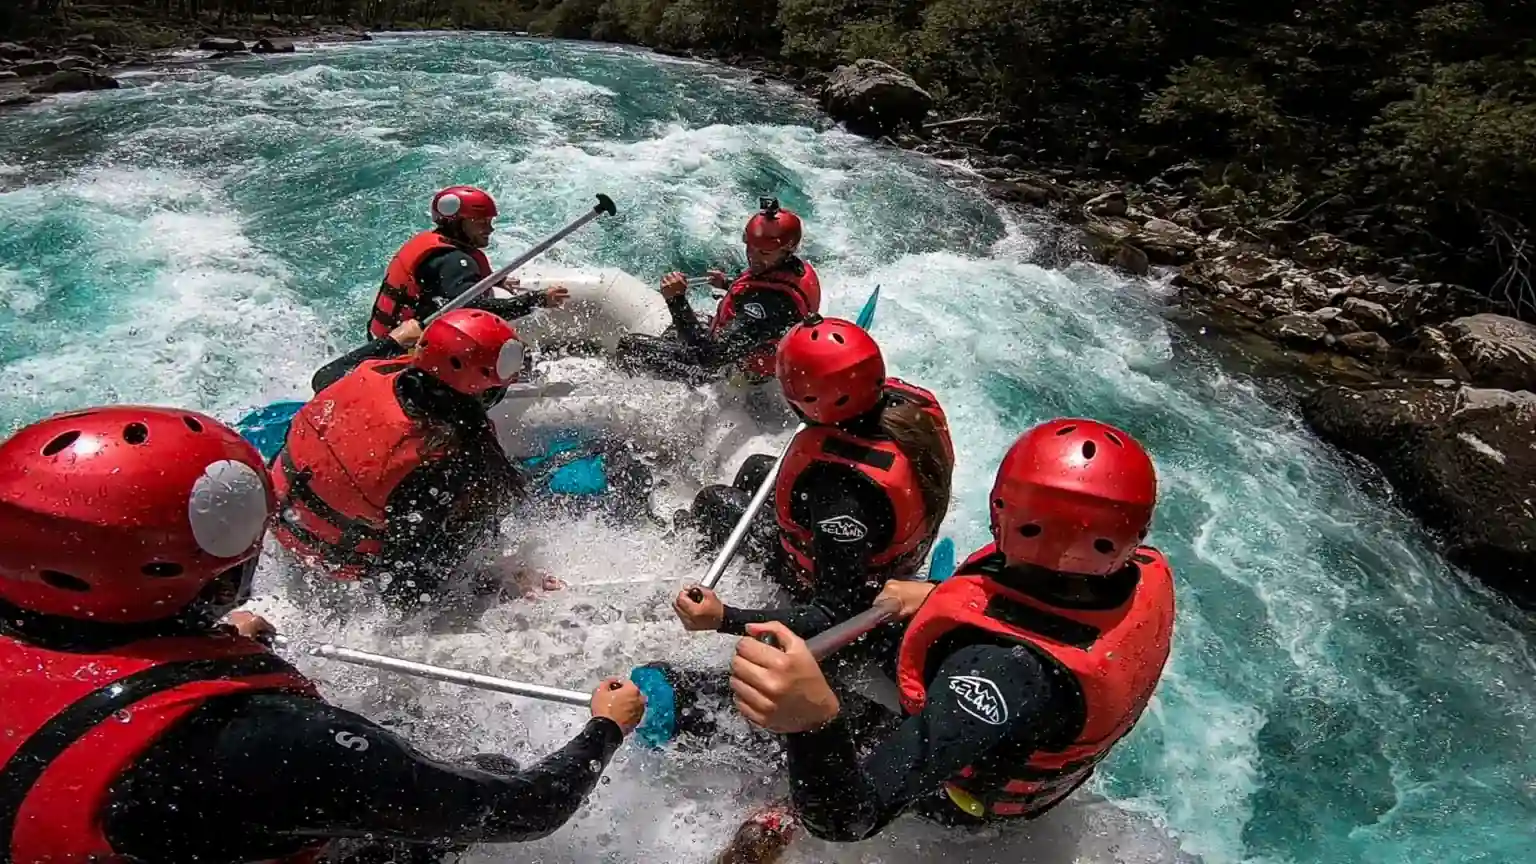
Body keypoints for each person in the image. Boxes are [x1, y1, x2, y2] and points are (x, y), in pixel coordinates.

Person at [0, 405, 647, 864]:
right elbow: (529, 809)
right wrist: (604, 727)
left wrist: (197, 644)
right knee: (489, 773)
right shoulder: (270, 744)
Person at [725, 418, 1176, 840]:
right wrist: (941, 595)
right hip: (1023, 727)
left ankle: (671, 702)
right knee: (859, 619)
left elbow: (850, 819)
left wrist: (813, 722)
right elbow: (1042, 613)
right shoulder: (1129, 574)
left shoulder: (1000, 670)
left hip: (959, 798)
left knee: (719, 701)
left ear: (1003, 509)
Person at [672, 315, 954, 644]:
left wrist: (725, 618)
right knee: (756, 469)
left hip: (850, 581)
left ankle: (692, 551)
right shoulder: (905, 406)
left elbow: (833, 614)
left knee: (714, 502)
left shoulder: (840, 491)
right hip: (882, 538)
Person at [272, 309, 528, 606]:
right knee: (480, 505)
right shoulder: (443, 458)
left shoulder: (375, 372)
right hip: (333, 561)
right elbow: (403, 581)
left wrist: (391, 341)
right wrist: (490, 578)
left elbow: (323, 377)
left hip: (282, 516)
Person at [614, 197, 822, 386]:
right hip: (743, 357)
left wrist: (676, 300)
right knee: (678, 330)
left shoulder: (769, 305)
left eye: (764, 252)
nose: (753, 257)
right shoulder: (792, 269)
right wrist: (729, 284)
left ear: (788, 249)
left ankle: (630, 398)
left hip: (727, 377)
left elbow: (706, 357)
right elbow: (761, 292)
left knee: (630, 347)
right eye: (750, 247)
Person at [367, 185, 569, 341]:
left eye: (489, 222)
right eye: (481, 222)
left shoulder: (437, 245)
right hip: (408, 346)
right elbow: (476, 312)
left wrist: (492, 282)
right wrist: (536, 300)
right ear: (456, 223)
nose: (489, 229)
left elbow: (440, 286)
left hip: (387, 337)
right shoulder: (452, 260)